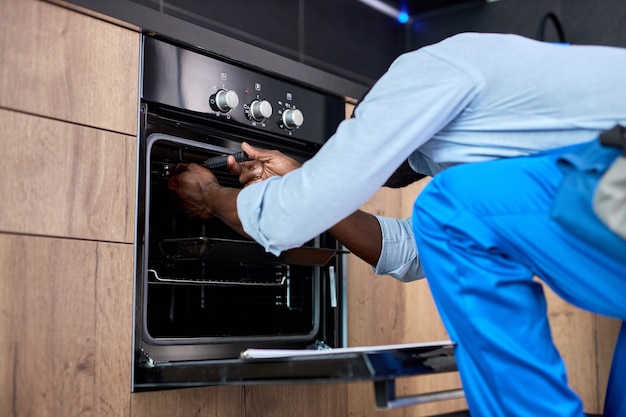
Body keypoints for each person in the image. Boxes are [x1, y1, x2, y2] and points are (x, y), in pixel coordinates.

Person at [167, 32, 626, 416]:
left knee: (451, 208)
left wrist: (211, 196)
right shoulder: (488, 140)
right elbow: (414, 250)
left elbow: (292, 217)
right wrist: (308, 185)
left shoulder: (422, 72)